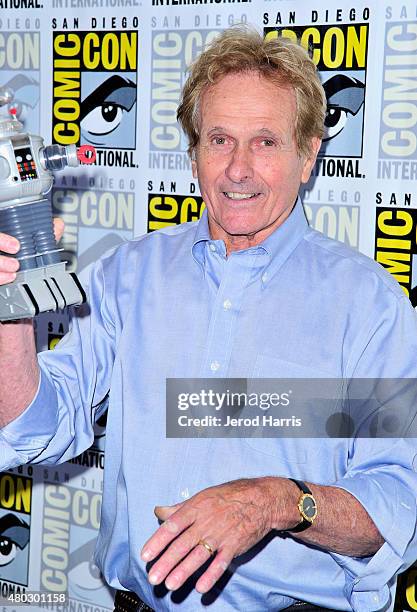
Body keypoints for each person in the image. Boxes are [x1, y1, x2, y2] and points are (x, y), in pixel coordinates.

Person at [0, 26, 417, 612]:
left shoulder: (370, 304)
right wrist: (9, 310)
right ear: (193, 153)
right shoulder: (127, 275)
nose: (238, 170)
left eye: (266, 143)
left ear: (308, 156)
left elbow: (396, 504)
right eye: (219, 139)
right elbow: (37, 429)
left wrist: (275, 501)